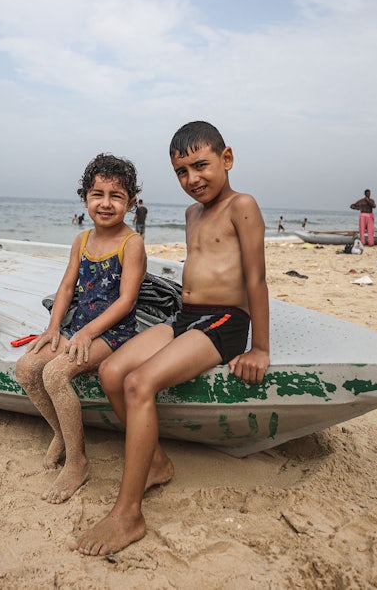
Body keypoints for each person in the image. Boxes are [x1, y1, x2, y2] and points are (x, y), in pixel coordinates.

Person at [73, 121, 269, 556]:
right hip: (187, 316)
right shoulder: (191, 213)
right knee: (111, 371)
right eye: (182, 171)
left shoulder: (243, 205)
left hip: (225, 322)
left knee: (138, 383)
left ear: (227, 159)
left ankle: (128, 515)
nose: (192, 179)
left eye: (201, 166)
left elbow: (256, 277)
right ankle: (157, 462)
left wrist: (260, 346)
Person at [16, 154, 146, 505]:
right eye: (97, 194)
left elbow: (126, 300)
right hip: (77, 327)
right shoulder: (81, 240)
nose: (105, 203)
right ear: (85, 198)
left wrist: (88, 334)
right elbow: (66, 288)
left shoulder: (131, 244)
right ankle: (61, 433)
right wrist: (53, 327)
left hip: (112, 333)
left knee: (57, 373)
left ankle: (78, 462)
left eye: (116, 196)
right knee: (26, 368)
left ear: (130, 203)